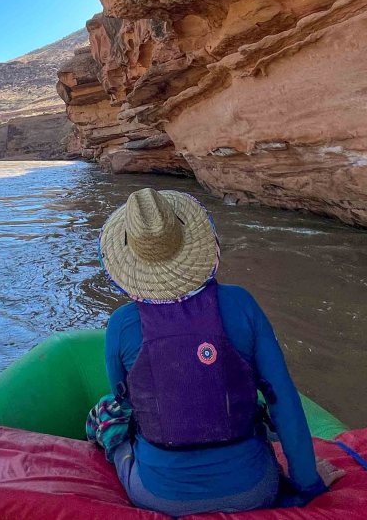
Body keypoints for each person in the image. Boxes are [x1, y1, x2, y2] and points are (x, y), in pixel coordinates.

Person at [97, 188, 330, 515]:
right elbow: (283, 400)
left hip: (158, 496)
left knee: (105, 412)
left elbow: (125, 399)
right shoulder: (241, 304)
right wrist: (308, 487)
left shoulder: (121, 324)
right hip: (253, 491)